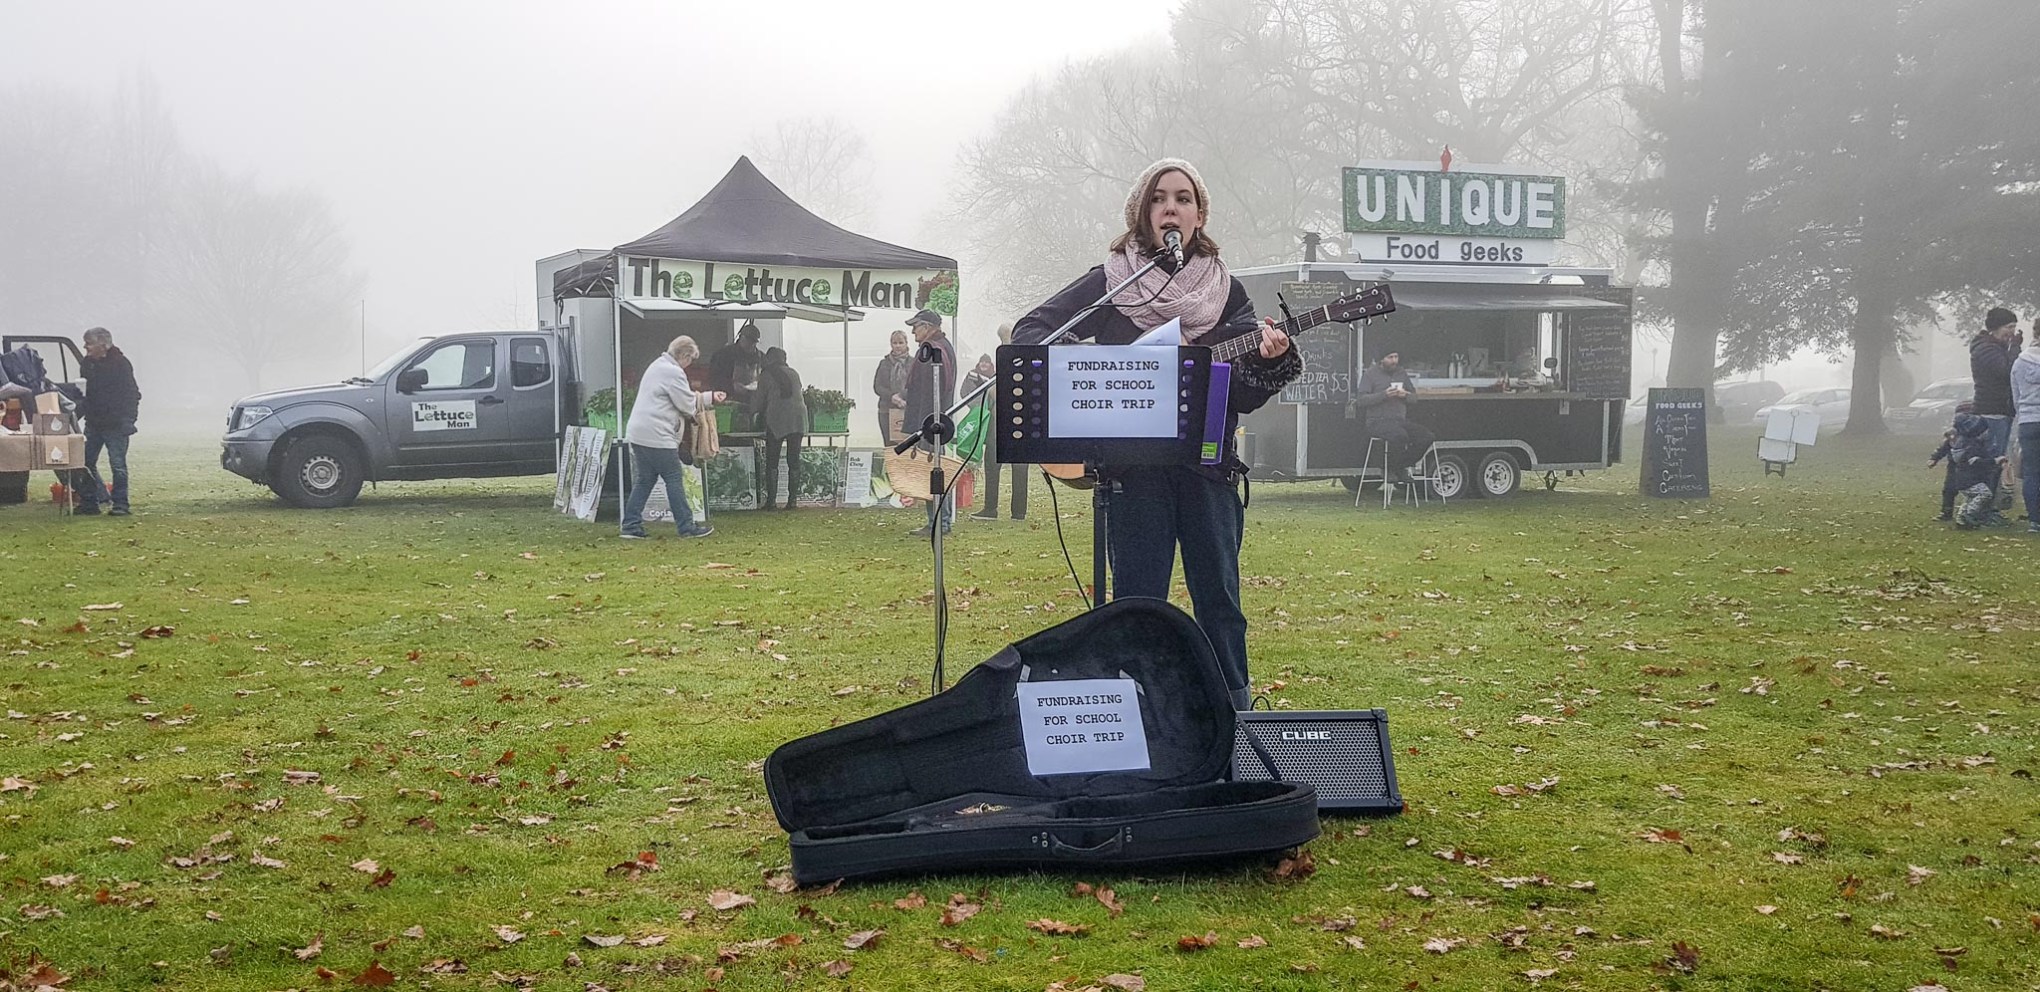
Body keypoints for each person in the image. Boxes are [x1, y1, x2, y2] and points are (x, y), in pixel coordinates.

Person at [1011, 157, 1299, 710]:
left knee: (1219, 599)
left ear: (1198, 215)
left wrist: (1269, 361)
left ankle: (1234, 721)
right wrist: (1102, 374)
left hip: (1207, 472)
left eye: (1184, 198)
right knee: (1138, 602)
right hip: (1133, 476)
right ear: (1142, 212)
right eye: (1160, 197)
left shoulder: (1227, 292)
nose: (1172, 206)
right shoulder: (1114, 280)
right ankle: (1141, 716)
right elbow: (1033, 331)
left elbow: (1241, 395)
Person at [622, 336, 724, 539]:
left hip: (638, 432)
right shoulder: (673, 372)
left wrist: (708, 396)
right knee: (674, 478)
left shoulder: (657, 365)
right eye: (690, 359)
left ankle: (631, 525)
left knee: (645, 480)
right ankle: (686, 526)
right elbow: (687, 405)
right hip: (657, 434)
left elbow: (680, 397)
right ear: (684, 355)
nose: (690, 365)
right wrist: (708, 398)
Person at [902, 308, 957, 538]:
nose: (913, 331)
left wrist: (923, 425)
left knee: (931, 473)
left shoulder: (932, 349)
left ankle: (939, 522)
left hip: (931, 422)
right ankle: (940, 520)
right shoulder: (943, 346)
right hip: (936, 420)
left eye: (916, 326)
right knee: (935, 471)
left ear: (928, 327)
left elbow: (932, 390)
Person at [77, 326, 141, 517]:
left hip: (117, 424)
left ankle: (121, 504)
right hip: (94, 423)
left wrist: (129, 420)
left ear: (103, 345)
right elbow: (84, 395)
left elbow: (132, 394)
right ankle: (90, 502)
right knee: (85, 463)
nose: (85, 347)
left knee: (118, 465)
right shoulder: (86, 364)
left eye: (89, 343)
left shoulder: (121, 364)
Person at [962, 349, 1027, 522]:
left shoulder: (998, 379)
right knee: (1001, 467)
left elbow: (991, 398)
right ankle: (1007, 511)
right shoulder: (1023, 372)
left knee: (1009, 467)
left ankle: (1004, 510)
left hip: (1006, 426)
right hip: (1008, 426)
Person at [1355, 351, 1435, 485]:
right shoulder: (1370, 374)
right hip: (1377, 421)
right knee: (1400, 436)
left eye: (1396, 357)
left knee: (1427, 437)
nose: (1394, 361)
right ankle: (1389, 468)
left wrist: (1405, 395)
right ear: (1382, 359)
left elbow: (1414, 397)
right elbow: (1361, 400)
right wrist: (1384, 394)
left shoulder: (1401, 373)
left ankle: (1399, 466)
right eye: (1390, 357)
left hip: (1399, 420)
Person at [1971, 308, 2018, 502]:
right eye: (2009, 327)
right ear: (1996, 328)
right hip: (1992, 411)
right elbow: (2007, 372)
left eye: (2014, 327)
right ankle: (1987, 506)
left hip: (2000, 410)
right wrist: (2015, 349)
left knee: (1999, 458)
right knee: (1994, 459)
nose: (2013, 332)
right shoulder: (1987, 349)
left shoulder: (1994, 348)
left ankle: (1992, 504)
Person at [755, 346, 807, 510]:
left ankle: (771, 501)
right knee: (794, 459)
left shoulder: (766, 375)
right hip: (799, 419)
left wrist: (749, 411)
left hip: (777, 418)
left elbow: (759, 400)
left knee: (772, 459)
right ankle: (792, 501)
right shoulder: (794, 373)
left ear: (769, 359)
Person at [1946, 412, 2008, 529]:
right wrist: (1994, 461)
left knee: (1969, 498)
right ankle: (1970, 514)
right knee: (1985, 494)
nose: (1988, 433)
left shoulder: (1965, 444)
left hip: (1962, 480)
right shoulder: (1973, 446)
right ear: (1979, 432)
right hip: (1969, 480)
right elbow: (1976, 462)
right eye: (1986, 431)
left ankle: (1961, 520)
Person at [708, 322, 765, 430]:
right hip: (728, 403)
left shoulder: (760, 357)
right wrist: (731, 386)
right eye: (749, 341)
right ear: (741, 337)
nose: (752, 345)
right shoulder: (724, 355)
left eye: (754, 342)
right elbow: (714, 378)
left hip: (752, 403)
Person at [2013, 321, 2040, 533]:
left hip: (2028, 421)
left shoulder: (2020, 362)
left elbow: (2016, 396)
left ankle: (2034, 520)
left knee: (2031, 471)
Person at [873, 329, 913, 446]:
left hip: (908, 409)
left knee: (908, 445)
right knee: (890, 445)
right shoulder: (884, 363)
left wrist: (901, 397)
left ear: (906, 343)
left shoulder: (914, 362)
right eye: (895, 343)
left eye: (901, 343)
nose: (898, 346)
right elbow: (877, 386)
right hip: (886, 410)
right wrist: (892, 397)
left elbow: (916, 385)